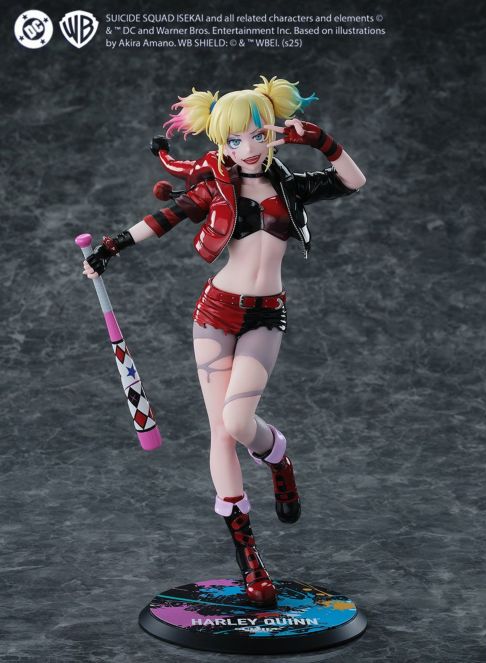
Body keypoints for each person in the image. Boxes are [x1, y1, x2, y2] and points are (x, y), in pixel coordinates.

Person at [83, 75, 366, 607]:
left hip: (265, 314)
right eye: (235, 139)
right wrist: (110, 248)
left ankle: (277, 455)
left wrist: (318, 139)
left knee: (239, 422)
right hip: (216, 312)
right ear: (221, 142)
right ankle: (250, 560)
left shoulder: (291, 186)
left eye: (259, 134)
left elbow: (353, 181)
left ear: (274, 132)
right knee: (221, 431)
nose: (248, 147)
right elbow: (163, 218)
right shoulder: (215, 188)